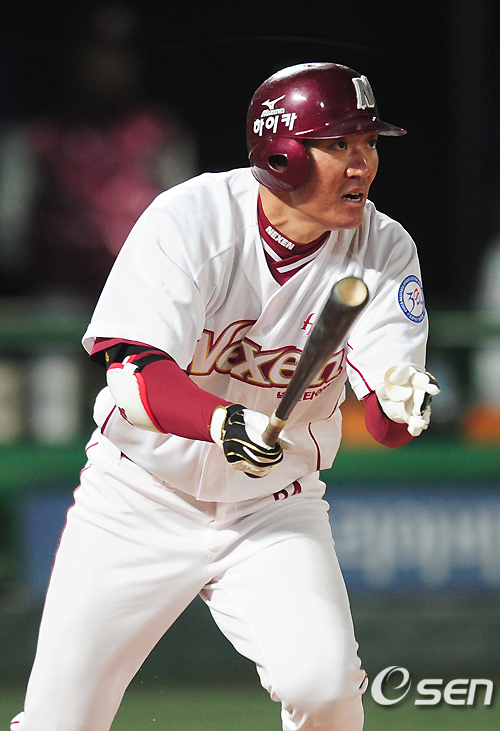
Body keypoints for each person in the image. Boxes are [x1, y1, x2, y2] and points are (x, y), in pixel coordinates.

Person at [11, 62, 439, 731]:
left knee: (325, 688)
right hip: (139, 495)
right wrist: (224, 422)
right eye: (339, 145)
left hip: (273, 506)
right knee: (58, 722)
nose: (363, 164)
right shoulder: (193, 219)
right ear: (282, 153)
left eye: (368, 144)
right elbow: (135, 376)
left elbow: (388, 425)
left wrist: (402, 399)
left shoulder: (382, 249)